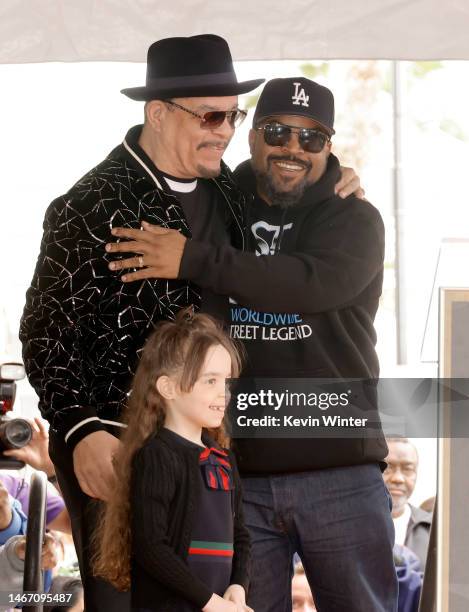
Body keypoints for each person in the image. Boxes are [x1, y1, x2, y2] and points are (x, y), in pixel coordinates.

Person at [19, 34, 361, 610]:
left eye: (233, 116)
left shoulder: (229, 189)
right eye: (210, 115)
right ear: (157, 113)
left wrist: (337, 177)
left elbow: (293, 172)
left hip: (208, 457)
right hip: (120, 449)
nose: (225, 132)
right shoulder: (90, 204)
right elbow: (44, 331)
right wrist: (78, 430)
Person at [109, 77, 397, 611]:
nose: (293, 147)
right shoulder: (217, 202)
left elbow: (312, 284)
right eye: (278, 131)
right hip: (237, 477)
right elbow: (152, 170)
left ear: (329, 146)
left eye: (312, 138)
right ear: (251, 135)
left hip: (340, 473)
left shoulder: (354, 217)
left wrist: (195, 258)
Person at [92, 309, 251, 612]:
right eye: (210, 381)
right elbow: (151, 548)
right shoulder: (157, 456)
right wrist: (210, 603)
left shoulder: (223, 458)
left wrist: (237, 587)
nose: (224, 394)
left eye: (227, 381)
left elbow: (240, 533)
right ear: (168, 388)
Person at [384, 437, 432, 571]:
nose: (398, 478)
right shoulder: (350, 526)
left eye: (407, 469)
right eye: (388, 468)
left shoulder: (433, 530)